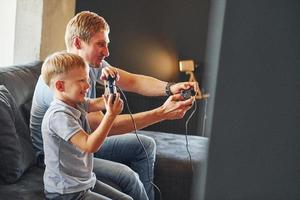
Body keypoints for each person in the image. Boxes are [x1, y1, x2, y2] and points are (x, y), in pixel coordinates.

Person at [30, 11, 197, 200]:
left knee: (145, 145)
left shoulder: (88, 67)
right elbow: (102, 128)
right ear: (77, 43)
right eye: (100, 44)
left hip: (81, 140)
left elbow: (133, 82)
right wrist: (161, 113)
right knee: (127, 176)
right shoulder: (60, 82)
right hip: (60, 156)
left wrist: (171, 88)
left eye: (107, 44)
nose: (107, 52)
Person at [41, 51, 132, 200]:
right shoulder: (59, 116)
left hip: (83, 182)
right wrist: (110, 116)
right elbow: (90, 145)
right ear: (60, 85)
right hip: (66, 192)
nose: (88, 85)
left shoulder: (76, 102)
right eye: (81, 80)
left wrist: (110, 83)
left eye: (88, 79)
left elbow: (105, 101)